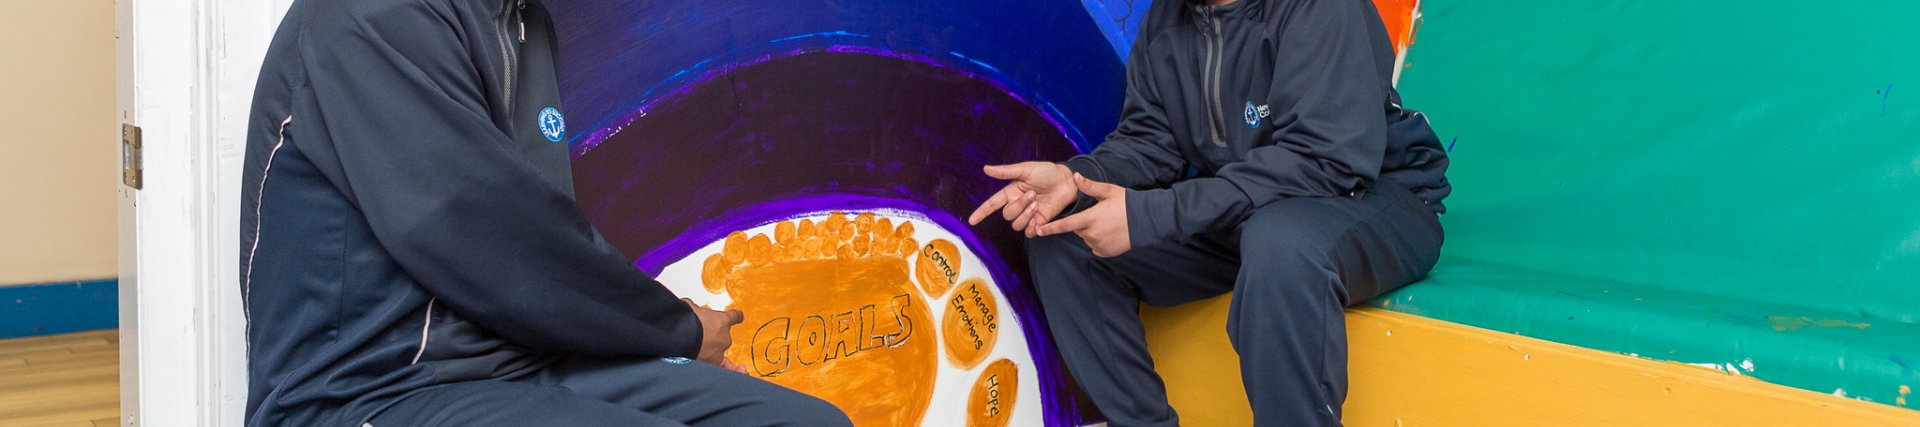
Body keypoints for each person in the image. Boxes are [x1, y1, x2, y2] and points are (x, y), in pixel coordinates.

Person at [237, 0, 853, 426]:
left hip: (513, 364)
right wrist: (678, 330)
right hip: (369, 389)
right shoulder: (374, 14)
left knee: (809, 422)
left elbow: (532, 235)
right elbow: (487, 237)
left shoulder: (523, 22)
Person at [969, 0, 1450, 425]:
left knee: (1281, 246)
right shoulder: (1168, 19)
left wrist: (1154, 214)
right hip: (1252, 208)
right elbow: (1149, 143)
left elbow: (1325, 160)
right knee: (1064, 236)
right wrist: (1073, 181)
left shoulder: (1319, 7)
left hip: (1374, 197)